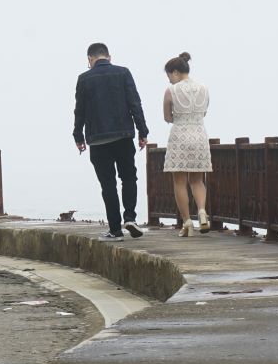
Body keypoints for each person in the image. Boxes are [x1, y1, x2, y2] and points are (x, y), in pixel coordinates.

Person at [73, 42, 149, 241]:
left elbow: (79, 110)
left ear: (90, 59)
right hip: (123, 136)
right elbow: (135, 103)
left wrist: (78, 136)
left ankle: (115, 229)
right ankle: (130, 217)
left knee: (108, 185)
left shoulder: (84, 79)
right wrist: (143, 130)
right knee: (129, 177)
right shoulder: (123, 73)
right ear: (109, 56)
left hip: (97, 140)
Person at [161, 52, 211, 236]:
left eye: (169, 77)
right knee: (197, 180)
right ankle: (202, 212)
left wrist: (176, 116)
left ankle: (187, 223)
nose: (169, 81)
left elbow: (167, 117)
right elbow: (204, 112)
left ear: (174, 73)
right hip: (199, 134)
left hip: (179, 136)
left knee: (179, 181)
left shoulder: (171, 91)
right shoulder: (204, 88)